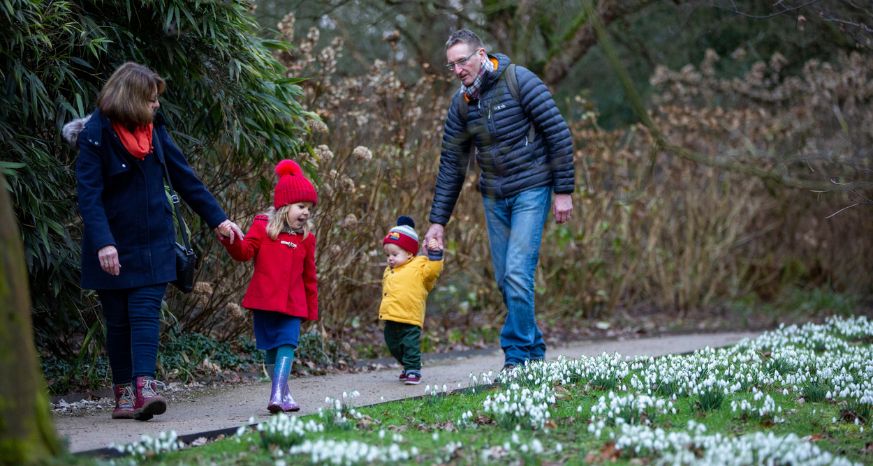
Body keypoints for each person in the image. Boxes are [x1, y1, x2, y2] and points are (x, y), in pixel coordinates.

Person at [67, 62, 243, 421]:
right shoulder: (95, 135)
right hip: (112, 246)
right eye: (150, 100)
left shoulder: (154, 131)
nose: (157, 105)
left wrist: (219, 219)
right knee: (117, 322)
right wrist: (103, 243)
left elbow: (185, 178)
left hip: (155, 243)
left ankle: (145, 389)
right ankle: (123, 395)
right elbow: (89, 196)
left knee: (145, 314)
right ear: (132, 99)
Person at [424, 29, 575, 372]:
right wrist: (437, 222)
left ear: (481, 54)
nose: (458, 70)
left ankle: (517, 357)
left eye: (462, 60)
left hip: (532, 189)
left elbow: (558, 133)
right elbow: (452, 165)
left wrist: (563, 191)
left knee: (519, 273)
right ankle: (534, 351)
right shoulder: (461, 104)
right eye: (452, 65)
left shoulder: (519, 80)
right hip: (494, 196)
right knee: (505, 279)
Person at [219, 159, 318, 413]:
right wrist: (231, 240)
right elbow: (244, 252)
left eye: (309, 208)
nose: (306, 212)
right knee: (271, 350)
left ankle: (276, 394)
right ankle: (282, 394)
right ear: (284, 206)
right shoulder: (263, 227)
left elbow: (310, 277)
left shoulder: (306, 239)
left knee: (287, 343)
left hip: (293, 304)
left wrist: (312, 309)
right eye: (301, 206)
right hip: (264, 302)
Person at [379, 216, 444, 385]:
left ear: (409, 254)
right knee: (392, 344)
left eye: (394, 254)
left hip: (410, 316)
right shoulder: (389, 270)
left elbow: (432, 272)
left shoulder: (419, 266)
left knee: (410, 344)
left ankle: (413, 368)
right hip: (391, 316)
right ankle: (408, 365)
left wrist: (435, 255)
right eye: (388, 255)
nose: (390, 258)